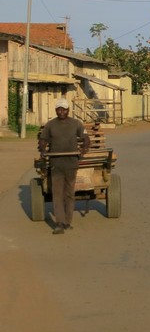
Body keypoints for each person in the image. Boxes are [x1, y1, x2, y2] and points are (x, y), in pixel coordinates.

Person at [38, 98, 89, 235]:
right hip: (56, 163)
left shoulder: (76, 123)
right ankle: (59, 223)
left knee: (69, 194)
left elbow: (85, 137)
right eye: (59, 109)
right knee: (57, 193)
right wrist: (43, 149)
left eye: (64, 109)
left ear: (68, 110)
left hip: (71, 163)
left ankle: (68, 222)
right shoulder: (50, 125)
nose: (62, 112)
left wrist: (84, 148)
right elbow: (43, 140)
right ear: (56, 110)